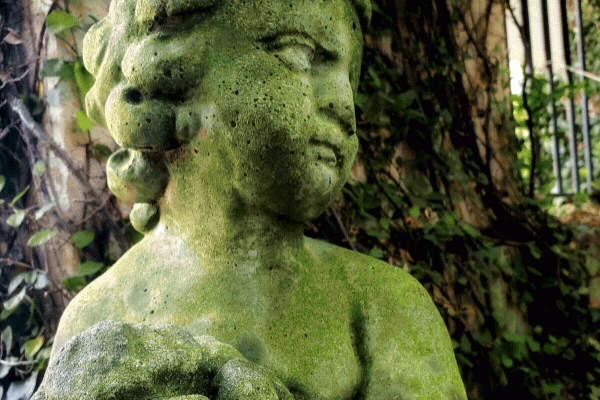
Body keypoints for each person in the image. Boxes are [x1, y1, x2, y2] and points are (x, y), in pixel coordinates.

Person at [33, 0, 467, 398]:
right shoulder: (97, 316)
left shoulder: (381, 307)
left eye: (348, 78)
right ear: (170, 76)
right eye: (299, 54)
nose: (341, 103)